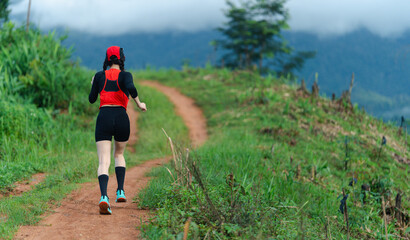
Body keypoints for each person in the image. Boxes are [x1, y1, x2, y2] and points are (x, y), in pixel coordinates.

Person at [89, 46, 147, 214]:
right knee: (119, 155)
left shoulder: (99, 76)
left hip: (104, 117)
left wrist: (94, 84)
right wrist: (139, 104)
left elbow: (92, 99)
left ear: (107, 60)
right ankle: (120, 191)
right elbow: (131, 87)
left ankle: (103, 197)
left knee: (103, 161)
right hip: (121, 118)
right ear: (122, 59)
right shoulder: (126, 75)